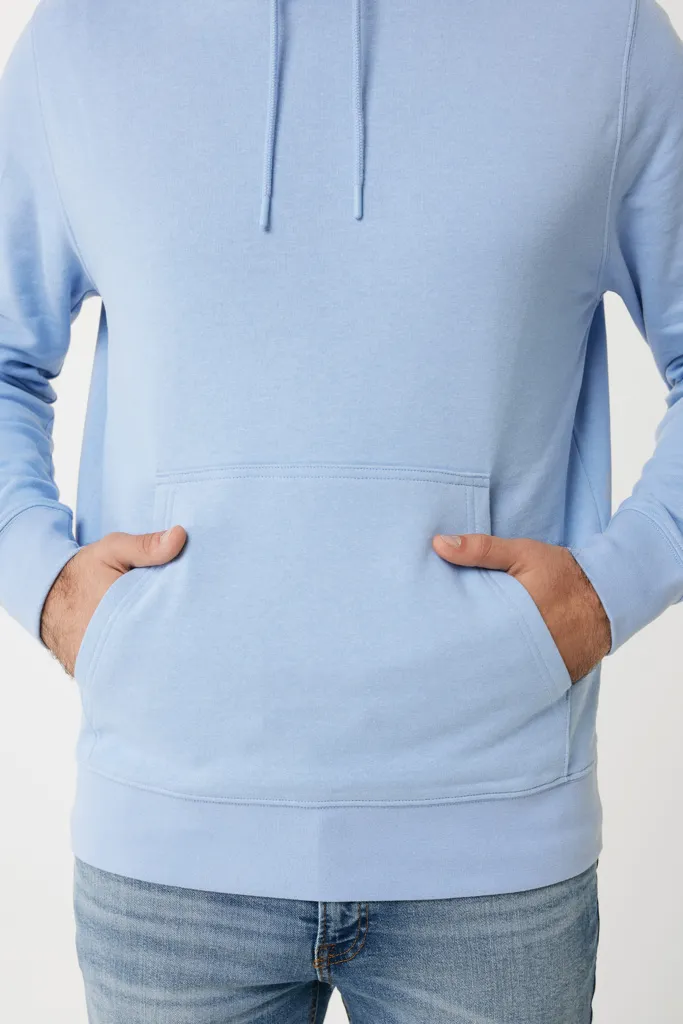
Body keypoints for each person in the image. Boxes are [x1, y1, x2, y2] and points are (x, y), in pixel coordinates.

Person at [1, 0, 681, 1020]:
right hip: (168, 849)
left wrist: (610, 590)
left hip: (493, 844)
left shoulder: (602, 33)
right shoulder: (84, 38)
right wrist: (45, 583)